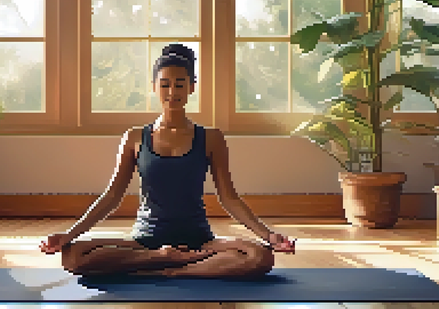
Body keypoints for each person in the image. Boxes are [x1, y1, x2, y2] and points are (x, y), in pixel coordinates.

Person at [41, 43, 295, 278]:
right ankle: (164, 258)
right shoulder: (134, 137)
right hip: (145, 240)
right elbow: (112, 196)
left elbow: (229, 198)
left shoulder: (211, 138)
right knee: (73, 257)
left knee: (260, 257)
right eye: (164, 84)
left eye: (180, 84)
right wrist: (69, 234)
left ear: (191, 87)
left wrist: (269, 235)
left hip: (199, 240)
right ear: (153, 87)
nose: (172, 92)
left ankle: (172, 270)